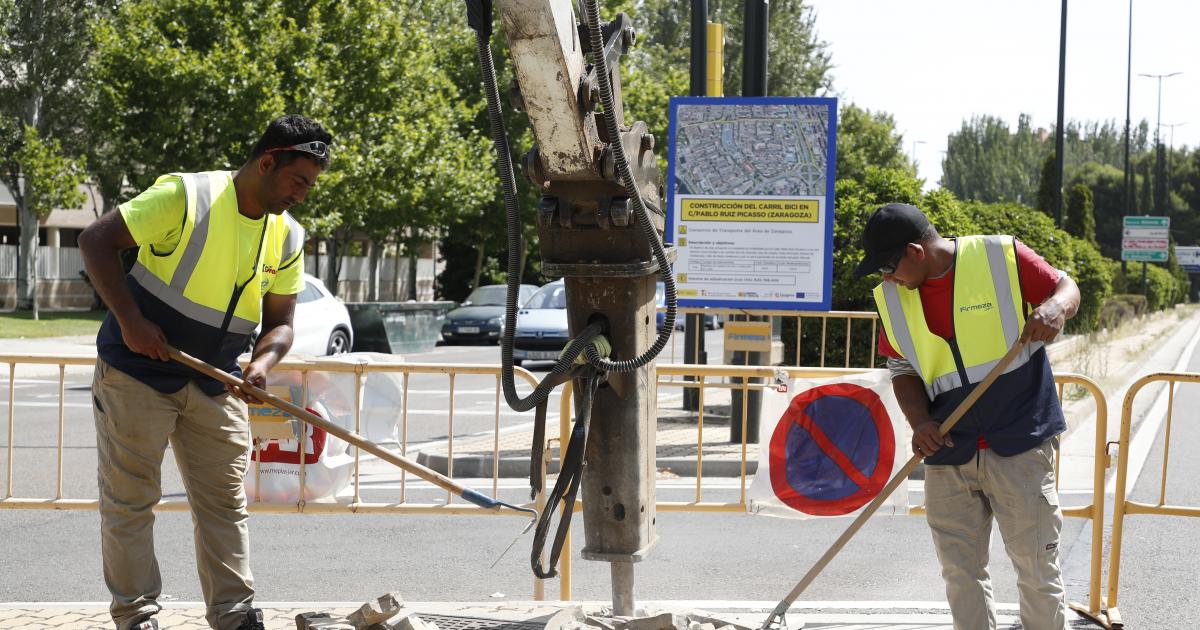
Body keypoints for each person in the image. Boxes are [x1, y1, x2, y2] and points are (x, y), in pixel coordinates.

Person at [79, 114, 332, 630]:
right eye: (298, 181)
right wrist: (130, 321)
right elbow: (94, 241)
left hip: (215, 381)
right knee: (131, 503)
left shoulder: (286, 235)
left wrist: (261, 363)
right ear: (267, 162)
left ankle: (234, 615)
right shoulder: (187, 196)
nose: (302, 195)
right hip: (136, 372)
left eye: (309, 185)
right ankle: (136, 615)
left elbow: (281, 323)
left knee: (225, 504)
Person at [854, 203, 1081, 630]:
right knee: (961, 575)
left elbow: (1066, 287)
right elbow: (902, 368)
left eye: (888, 265)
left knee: (1036, 572)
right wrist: (920, 422)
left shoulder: (1000, 256)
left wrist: (1056, 308)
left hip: (1021, 441)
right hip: (948, 448)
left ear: (916, 251)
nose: (886, 277)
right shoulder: (891, 298)